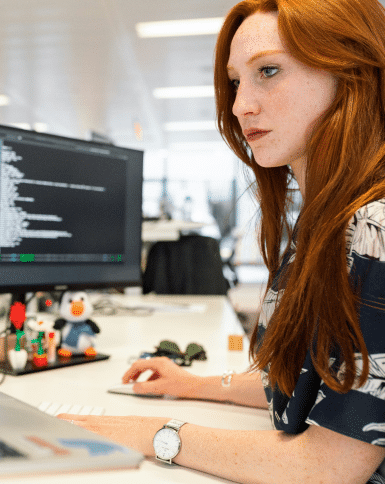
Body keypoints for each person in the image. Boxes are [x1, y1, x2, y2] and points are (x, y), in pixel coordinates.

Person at [58, 0, 385, 482]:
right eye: (236, 82)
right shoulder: (325, 224)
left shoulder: (373, 231)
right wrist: (196, 385)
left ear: (351, 74)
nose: (239, 105)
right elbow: (316, 383)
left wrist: (148, 434)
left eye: (268, 71)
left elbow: (330, 465)